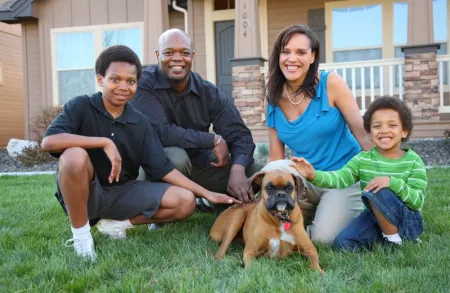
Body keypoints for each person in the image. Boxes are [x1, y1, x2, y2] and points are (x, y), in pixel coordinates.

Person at [41, 45, 240, 261]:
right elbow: (49, 142)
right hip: (85, 195)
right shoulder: (81, 106)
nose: (123, 87)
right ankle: (81, 237)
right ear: (100, 80)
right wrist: (103, 142)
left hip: (123, 193)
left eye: (131, 81)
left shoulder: (140, 122)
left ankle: (117, 225)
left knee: (185, 200)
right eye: (115, 79)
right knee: (74, 156)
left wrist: (206, 194)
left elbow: (163, 169)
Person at [265, 24, 374, 243]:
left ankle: (348, 210)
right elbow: (276, 157)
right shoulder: (273, 97)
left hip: (342, 177)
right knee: (268, 219)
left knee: (323, 238)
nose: (291, 59)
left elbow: (362, 133)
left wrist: (382, 172)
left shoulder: (330, 83)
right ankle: (313, 212)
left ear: (313, 57)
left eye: (301, 52)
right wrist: (261, 193)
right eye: (286, 51)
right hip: (304, 179)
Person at [130, 29, 261, 205]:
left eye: (184, 53)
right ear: (157, 55)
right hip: (156, 164)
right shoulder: (144, 84)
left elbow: (240, 134)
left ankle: (209, 202)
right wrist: (212, 139)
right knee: (177, 157)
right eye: (168, 53)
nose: (177, 58)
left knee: (256, 173)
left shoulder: (208, 91)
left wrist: (238, 170)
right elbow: (160, 132)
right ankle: (162, 207)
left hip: (199, 163)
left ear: (192, 56)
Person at [292, 96, 427, 251]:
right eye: (377, 126)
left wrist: (392, 182)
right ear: (369, 133)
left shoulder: (413, 161)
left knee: (378, 189)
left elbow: (417, 201)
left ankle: (395, 241)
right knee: (342, 243)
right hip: (374, 218)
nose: (384, 130)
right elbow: (340, 178)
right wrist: (313, 175)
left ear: (404, 131)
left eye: (392, 125)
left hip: (407, 220)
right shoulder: (363, 159)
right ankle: (385, 237)